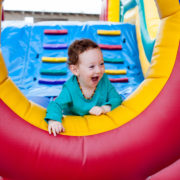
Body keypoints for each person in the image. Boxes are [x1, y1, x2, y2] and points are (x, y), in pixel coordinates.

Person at [45, 39, 122, 136]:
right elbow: (56, 104)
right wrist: (54, 121)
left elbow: (116, 98)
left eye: (101, 64)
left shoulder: (104, 81)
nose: (98, 70)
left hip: (96, 126)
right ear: (75, 70)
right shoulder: (70, 88)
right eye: (91, 66)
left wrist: (104, 108)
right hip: (75, 124)